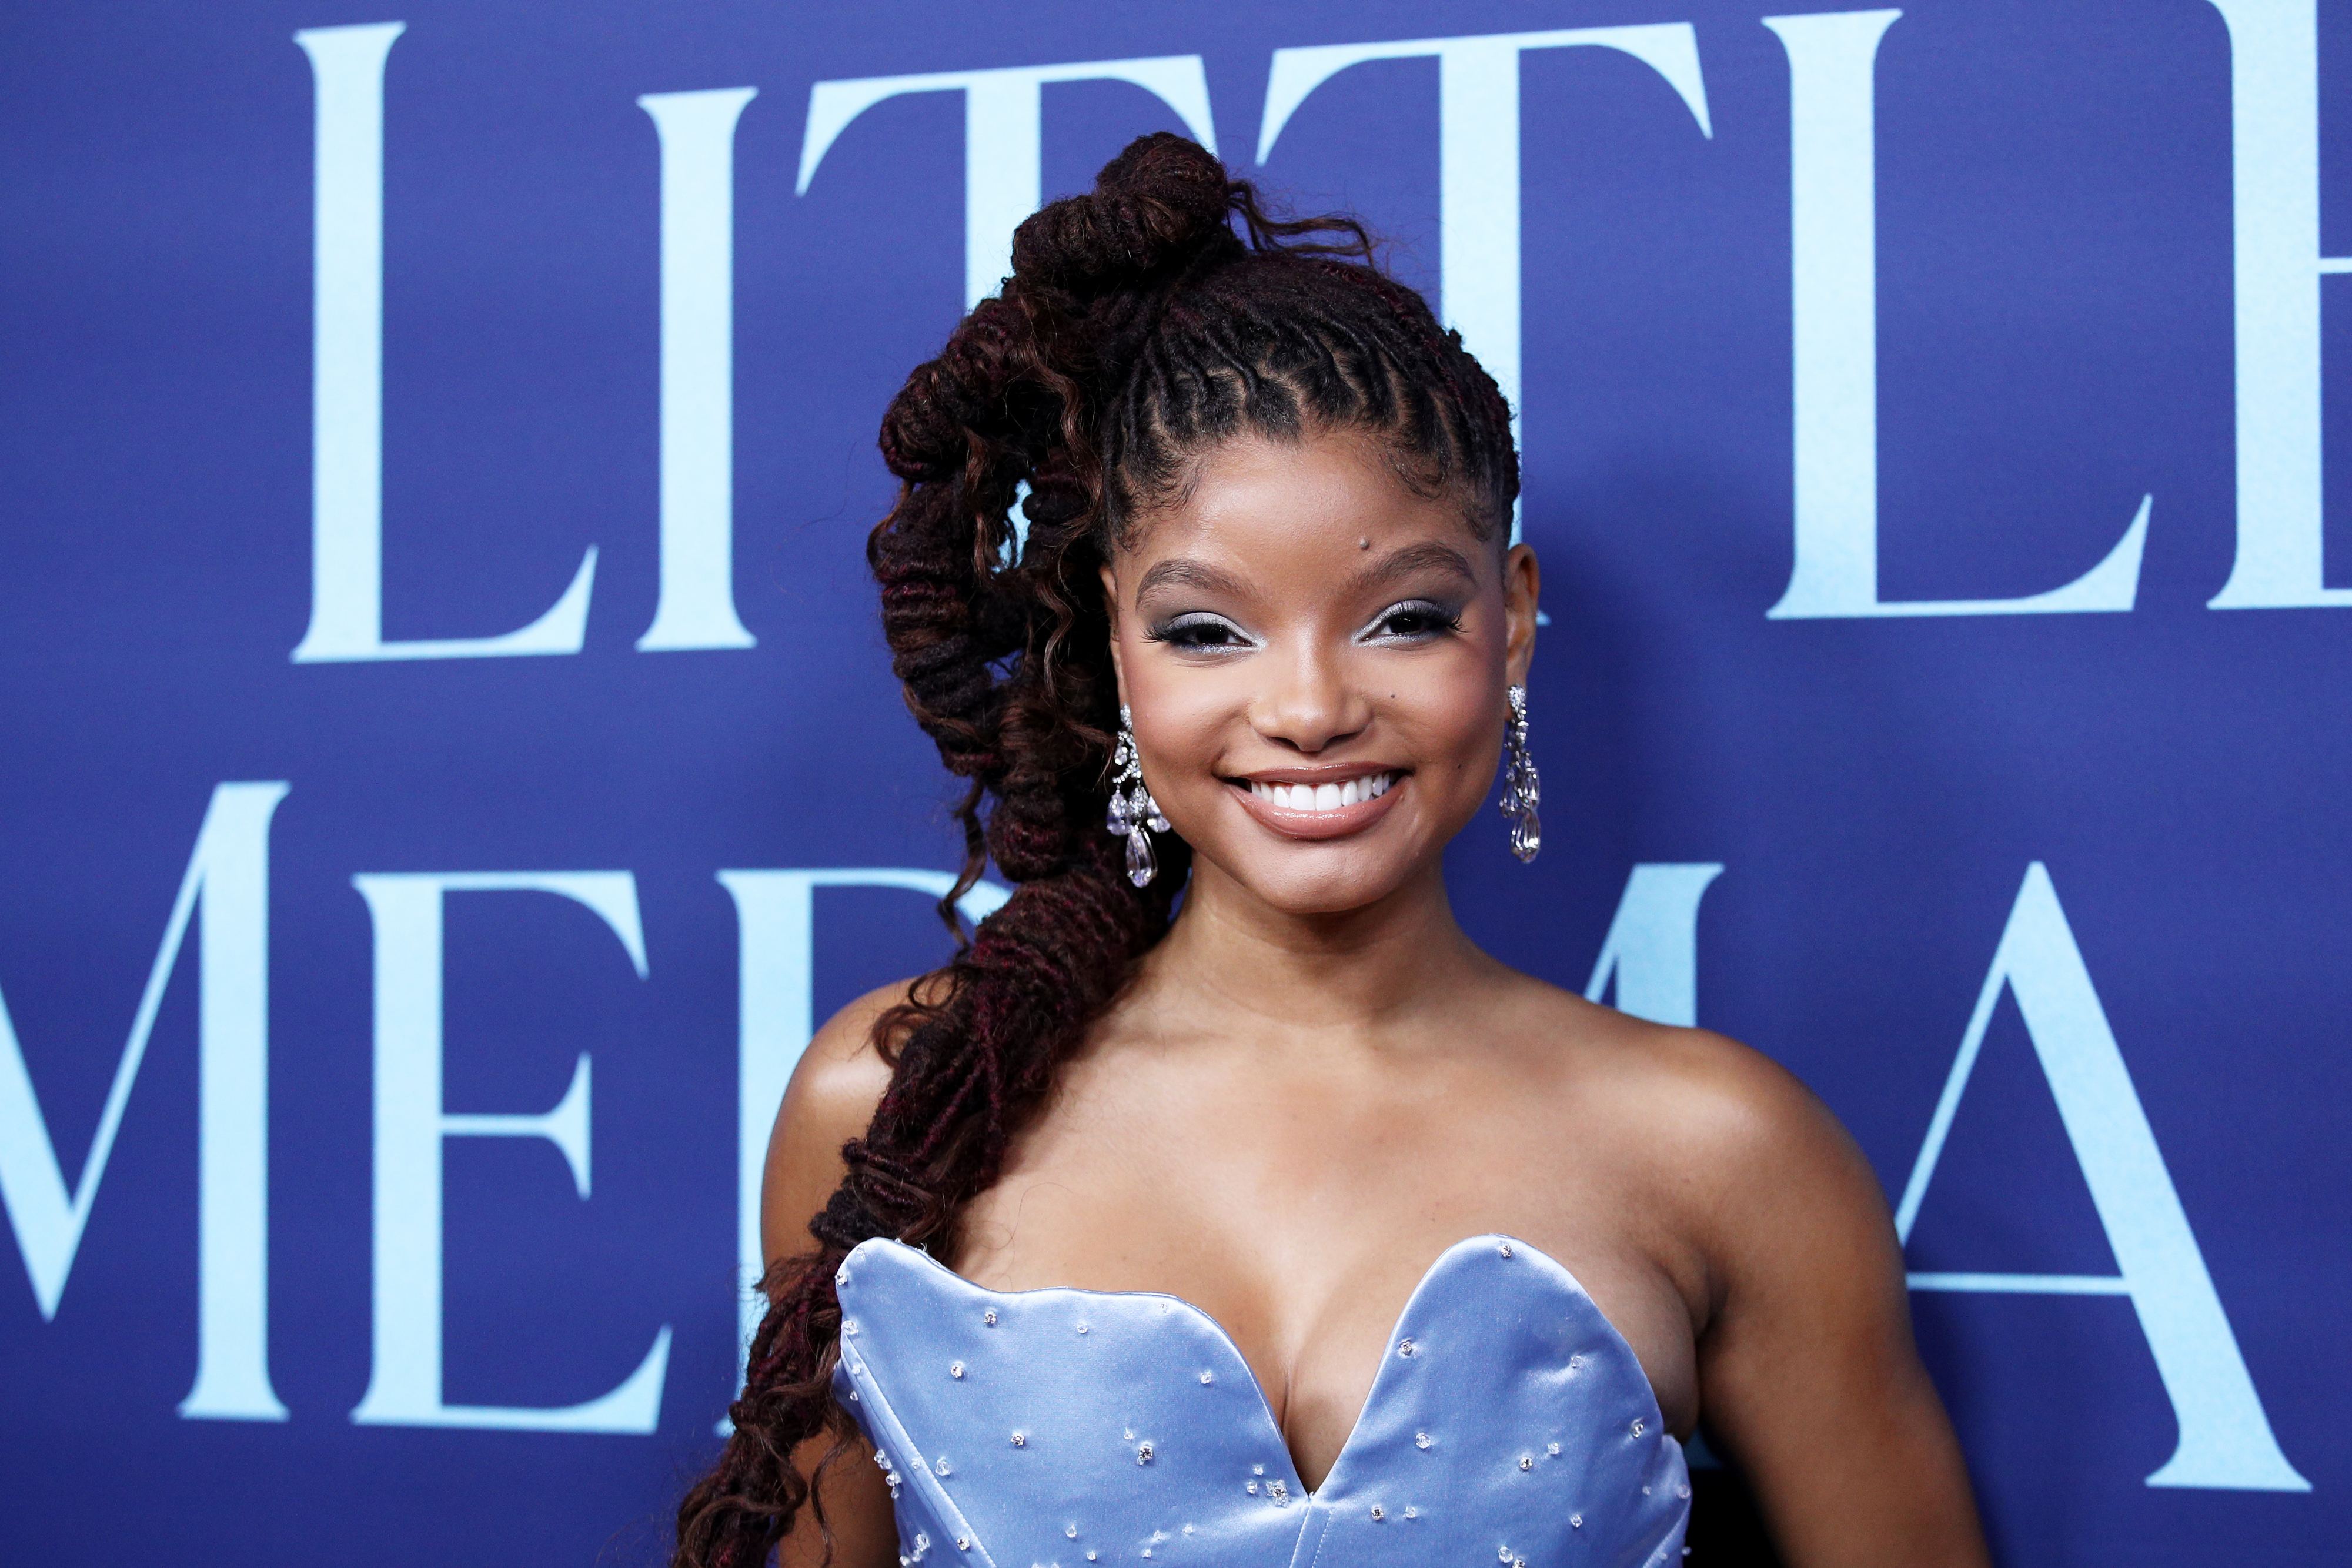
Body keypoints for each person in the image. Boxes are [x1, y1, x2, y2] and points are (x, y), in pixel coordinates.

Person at [673, 133, 1989, 1568]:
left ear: (1515, 617)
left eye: (1403, 616)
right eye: (1203, 630)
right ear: (1114, 645)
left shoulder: (1727, 1153)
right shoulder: (898, 1104)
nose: (1306, 708)